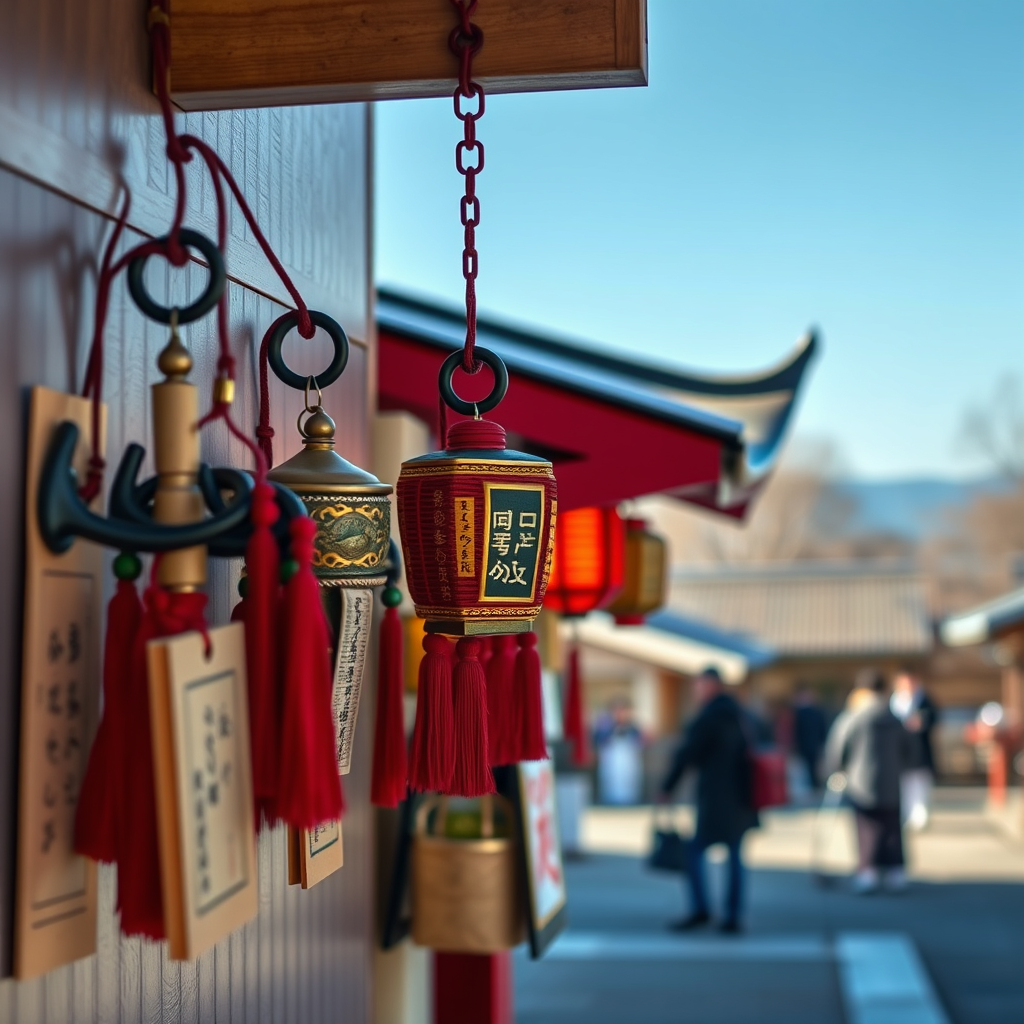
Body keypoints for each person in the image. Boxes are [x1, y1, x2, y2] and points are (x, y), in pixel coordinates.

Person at [658, 667, 757, 933]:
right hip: (744, 797)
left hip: (716, 798)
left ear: (711, 685)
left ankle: (701, 909)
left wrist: (667, 786)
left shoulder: (709, 717)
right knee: (735, 855)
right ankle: (733, 916)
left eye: (699, 685)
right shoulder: (741, 715)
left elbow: (687, 754)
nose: (696, 690)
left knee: (694, 852)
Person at [824, 669, 915, 894]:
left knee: (866, 828)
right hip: (892, 782)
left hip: (861, 783)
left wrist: (835, 769)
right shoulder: (894, 718)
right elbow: (910, 750)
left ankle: (867, 873)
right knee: (892, 827)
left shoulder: (854, 716)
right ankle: (896, 872)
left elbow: (838, 748)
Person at [890, 669, 939, 830]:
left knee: (920, 783)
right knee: (904, 785)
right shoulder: (894, 701)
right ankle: (905, 815)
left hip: (919, 748)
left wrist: (921, 721)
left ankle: (920, 817)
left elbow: (933, 717)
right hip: (901, 749)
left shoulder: (923, 699)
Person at [593, 697, 644, 805]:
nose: (619, 713)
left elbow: (640, 741)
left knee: (628, 783)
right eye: (616, 710)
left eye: (622, 710)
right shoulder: (605, 727)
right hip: (611, 764)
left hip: (628, 764)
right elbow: (598, 740)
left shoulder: (633, 727)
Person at [792, 686, 828, 790]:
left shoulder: (801, 712)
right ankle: (814, 785)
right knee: (811, 766)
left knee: (811, 766)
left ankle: (814, 785)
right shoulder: (803, 712)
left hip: (808, 744)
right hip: (811, 744)